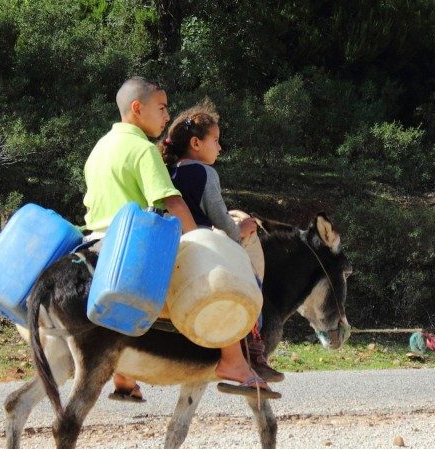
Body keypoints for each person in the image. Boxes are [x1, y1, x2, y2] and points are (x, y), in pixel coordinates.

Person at [82, 76, 198, 403]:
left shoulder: (100, 147)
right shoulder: (143, 149)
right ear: (137, 108)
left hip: (91, 244)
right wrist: (203, 241)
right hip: (124, 248)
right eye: (161, 108)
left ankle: (124, 375)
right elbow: (171, 202)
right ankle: (232, 360)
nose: (166, 116)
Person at [161, 101, 286, 389]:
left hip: (173, 248)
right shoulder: (206, 173)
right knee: (251, 284)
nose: (220, 148)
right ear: (196, 143)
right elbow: (221, 219)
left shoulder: (170, 172)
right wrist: (241, 230)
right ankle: (255, 351)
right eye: (215, 140)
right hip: (200, 250)